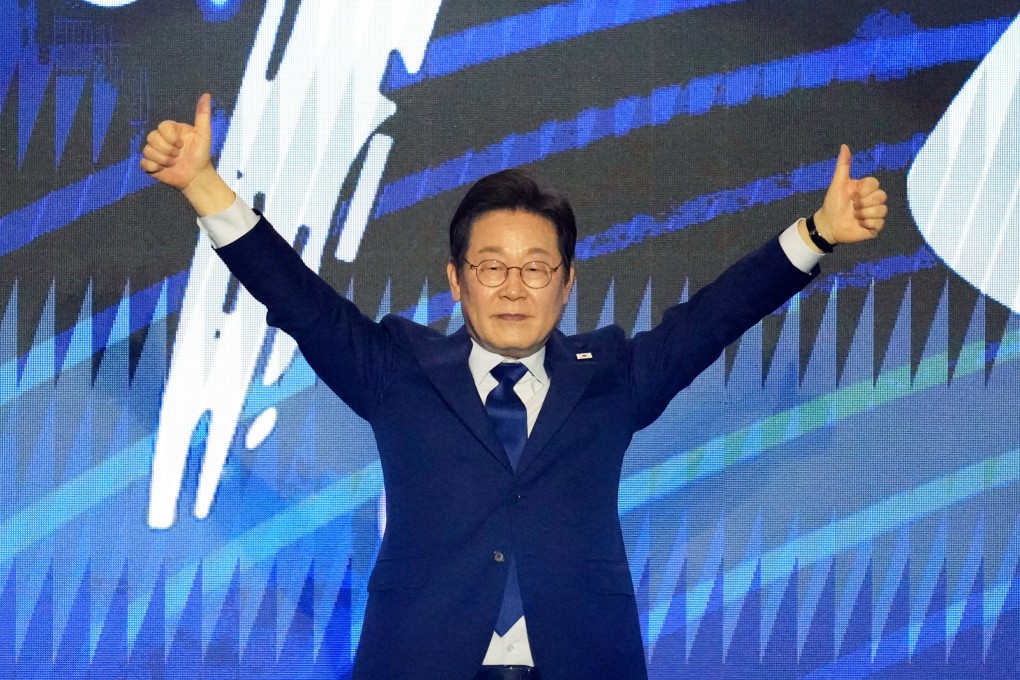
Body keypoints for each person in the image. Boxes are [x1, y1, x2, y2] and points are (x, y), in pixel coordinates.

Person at [141, 94, 887, 680]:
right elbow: (295, 296)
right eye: (491, 266)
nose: (512, 286)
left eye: (536, 267)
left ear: (566, 285)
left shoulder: (615, 378)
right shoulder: (396, 370)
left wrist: (814, 234)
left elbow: (717, 315)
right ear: (457, 281)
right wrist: (204, 185)